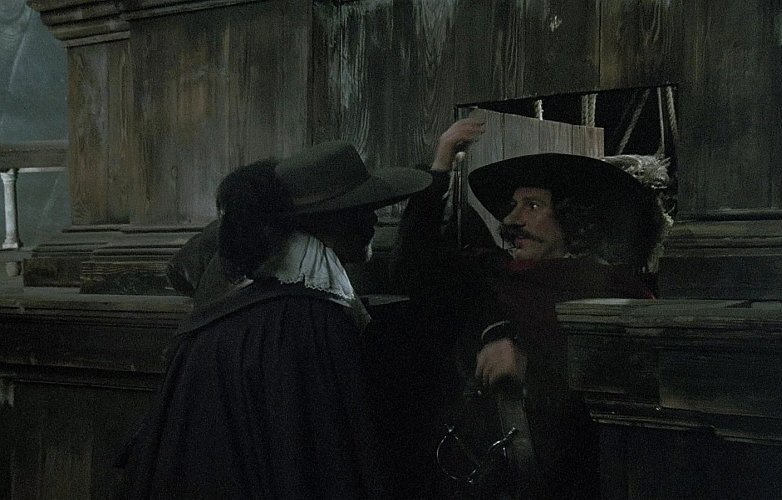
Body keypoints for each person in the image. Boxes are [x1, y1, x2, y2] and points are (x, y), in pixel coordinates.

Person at [118, 141, 431, 499]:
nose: (373, 220)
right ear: (323, 221)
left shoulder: (278, 306)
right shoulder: (312, 321)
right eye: (360, 209)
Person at [390, 117, 670, 498]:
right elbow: (411, 268)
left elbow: (635, 401)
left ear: (572, 218)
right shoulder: (491, 279)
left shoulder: (618, 295)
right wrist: (441, 166)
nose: (511, 219)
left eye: (532, 205)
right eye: (513, 206)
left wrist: (528, 370)